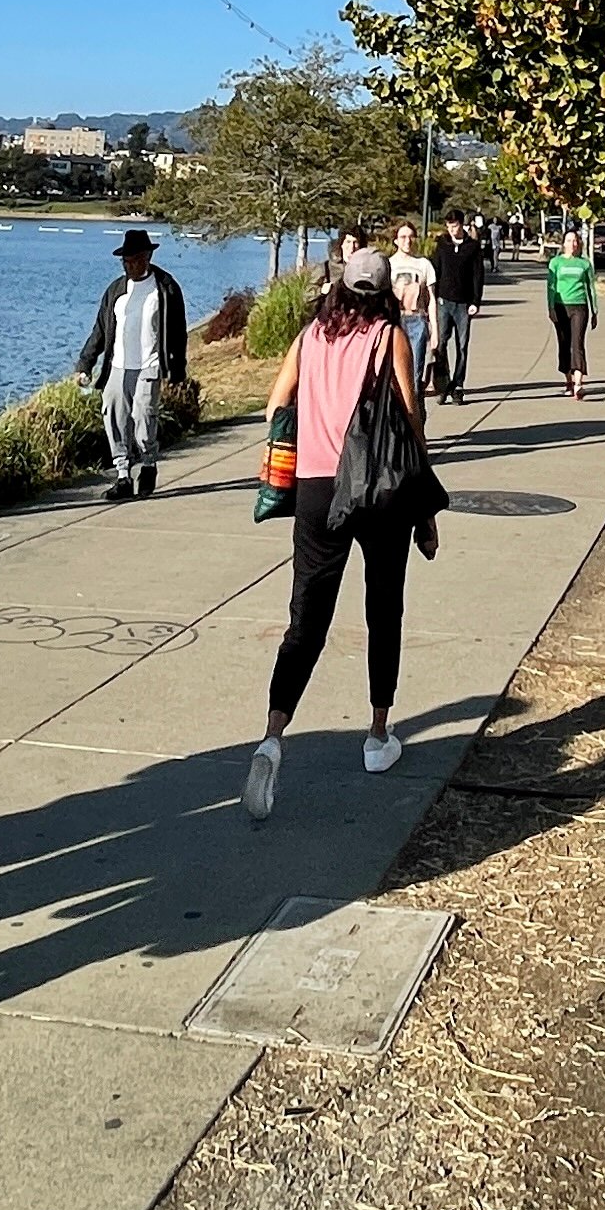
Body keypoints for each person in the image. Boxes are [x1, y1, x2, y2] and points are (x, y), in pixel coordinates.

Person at [243, 248, 425, 823]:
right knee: (383, 608)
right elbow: (411, 416)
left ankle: (273, 735)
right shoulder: (387, 336)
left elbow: (275, 404)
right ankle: (377, 735)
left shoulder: (310, 336)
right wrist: (426, 508)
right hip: (376, 484)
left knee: (308, 618)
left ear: (342, 287)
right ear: (385, 292)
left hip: (317, 488)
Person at [74, 226, 187, 501]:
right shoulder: (116, 291)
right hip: (118, 365)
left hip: (150, 364)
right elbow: (100, 330)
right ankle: (123, 475)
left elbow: (178, 331)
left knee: (144, 417)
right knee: (113, 415)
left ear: (147, 256)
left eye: (135, 259)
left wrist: (178, 368)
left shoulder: (165, 288)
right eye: (126, 261)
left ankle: (148, 464)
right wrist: (85, 364)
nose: (130, 265)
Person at [429, 220, 488, 402]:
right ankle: (443, 383)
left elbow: (478, 275)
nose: (451, 229)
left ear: (461, 225)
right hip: (444, 302)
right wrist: (434, 295)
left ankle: (458, 385)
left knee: (462, 346)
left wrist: (475, 301)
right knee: (441, 344)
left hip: (464, 304)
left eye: (454, 226)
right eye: (448, 226)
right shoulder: (442, 245)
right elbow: (435, 271)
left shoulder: (473, 247)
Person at [545, 227, 597, 400]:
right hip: (560, 307)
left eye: (575, 241)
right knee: (564, 344)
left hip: (580, 307)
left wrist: (594, 310)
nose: (572, 244)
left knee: (578, 344)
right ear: (563, 244)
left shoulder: (584, 263)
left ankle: (578, 384)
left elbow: (591, 288)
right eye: (569, 240)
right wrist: (551, 308)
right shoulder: (556, 263)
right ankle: (568, 380)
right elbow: (551, 287)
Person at [387, 223, 437, 385]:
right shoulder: (388, 265)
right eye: (403, 237)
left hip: (417, 320)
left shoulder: (424, 264)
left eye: (410, 237)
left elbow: (431, 300)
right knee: (394, 373)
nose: (407, 241)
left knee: (415, 374)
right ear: (395, 240)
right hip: (395, 321)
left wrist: (434, 331)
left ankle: (414, 406)